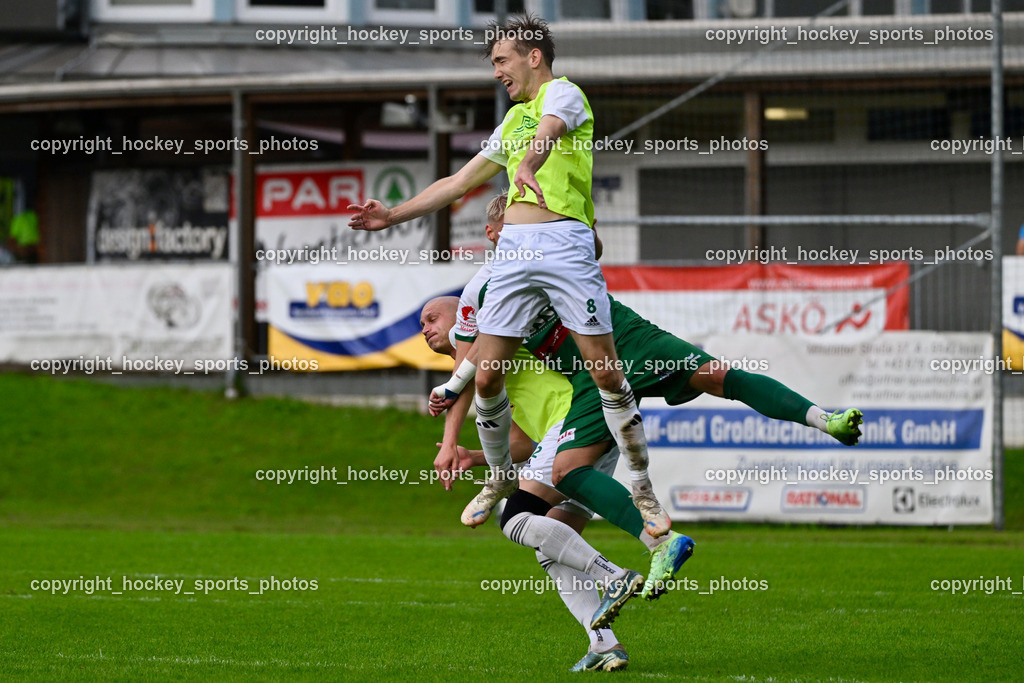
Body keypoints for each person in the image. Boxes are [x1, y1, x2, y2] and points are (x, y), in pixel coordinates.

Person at [349, 13, 670, 540]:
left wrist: (528, 165)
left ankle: (642, 489)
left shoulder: (564, 95)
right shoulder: (514, 121)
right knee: (488, 375)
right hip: (517, 253)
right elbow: (457, 182)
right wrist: (393, 215)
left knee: (607, 375)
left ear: (533, 56)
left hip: (564, 247)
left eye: (502, 59)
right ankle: (499, 477)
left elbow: (551, 131)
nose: (496, 71)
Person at [432, 195, 864, 558]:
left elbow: (594, 248)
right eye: (512, 225)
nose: (523, 230)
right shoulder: (485, 289)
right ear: (493, 234)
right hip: (589, 375)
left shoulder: (557, 245)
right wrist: (451, 389)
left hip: (626, 338)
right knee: (563, 474)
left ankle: (825, 419)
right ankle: (658, 546)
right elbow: (478, 358)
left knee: (719, 377)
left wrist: (582, 222)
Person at [420, 296, 646, 672]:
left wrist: (447, 438)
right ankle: (604, 644)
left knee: (515, 518)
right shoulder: (494, 359)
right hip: (591, 433)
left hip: (575, 421)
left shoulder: (483, 337)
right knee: (551, 547)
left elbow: (462, 372)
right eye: (420, 325)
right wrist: (473, 456)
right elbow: (524, 441)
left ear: (462, 317)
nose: (425, 329)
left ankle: (615, 576)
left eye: (431, 318)